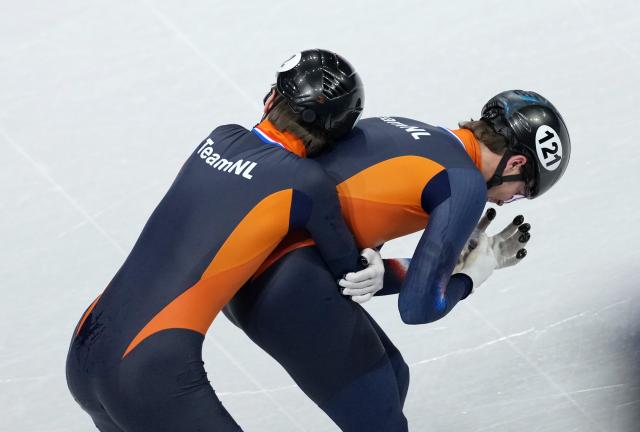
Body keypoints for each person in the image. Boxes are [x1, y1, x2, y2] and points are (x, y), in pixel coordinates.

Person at [65, 49, 381, 432]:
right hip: (150, 370)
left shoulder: (218, 137)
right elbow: (350, 276)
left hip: (85, 347)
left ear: (271, 98)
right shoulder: (306, 182)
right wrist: (378, 260)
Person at [225, 90, 571, 431]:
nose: (506, 201)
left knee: (393, 374)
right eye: (522, 190)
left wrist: (381, 258)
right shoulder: (466, 184)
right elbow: (419, 308)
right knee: (381, 421)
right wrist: (472, 276)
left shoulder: (404, 129)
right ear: (516, 163)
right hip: (289, 284)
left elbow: (341, 208)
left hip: (256, 270)